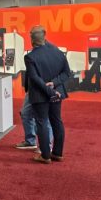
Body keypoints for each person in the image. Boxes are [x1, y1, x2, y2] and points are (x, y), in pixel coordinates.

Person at [24, 25, 71, 164]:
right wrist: (54, 85)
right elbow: (66, 73)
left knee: (42, 122)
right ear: (45, 36)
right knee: (57, 121)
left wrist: (50, 91)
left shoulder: (30, 57)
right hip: (57, 93)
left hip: (40, 95)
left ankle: (45, 156)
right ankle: (57, 153)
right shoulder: (58, 52)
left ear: (31, 39)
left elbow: (35, 79)